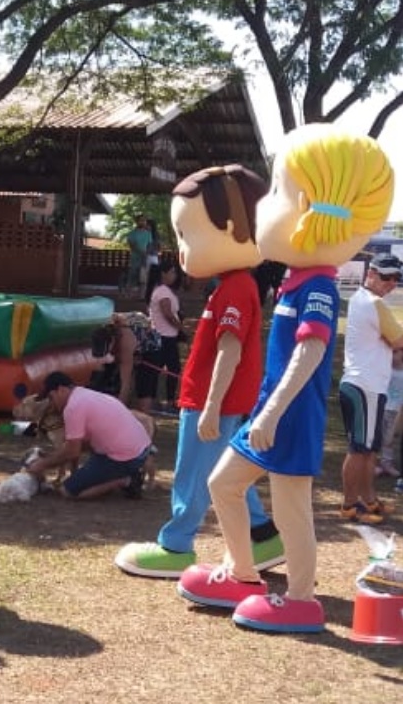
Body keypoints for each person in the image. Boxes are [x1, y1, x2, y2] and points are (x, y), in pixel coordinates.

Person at [179, 124, 394, 635]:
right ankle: (245, 575)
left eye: (278, 192)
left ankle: (300, 599)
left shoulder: (317, 284)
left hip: (290, 417)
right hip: (269, 412)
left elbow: (312, 350)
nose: (263, 205)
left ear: (315, 213)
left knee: (292, 507)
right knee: (223, 484)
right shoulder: (297, 278)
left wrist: (272, 412)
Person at [116, 163, 284, 581]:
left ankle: (176, 545)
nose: (184, 250)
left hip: (215, 402)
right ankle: (263, 537)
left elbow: (229, 351)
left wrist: (210, 407)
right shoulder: (232, 286)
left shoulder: (235, 288)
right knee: (226, 474)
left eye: (189, 236)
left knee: (193, 475)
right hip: (215, 399)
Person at [338, 253, 403, 519]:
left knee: (368, 449)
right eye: (386, 277)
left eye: (396, 278)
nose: (391, 283)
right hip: (364, 385)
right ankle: (350, 505)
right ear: (372, 274)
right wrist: (393, 343)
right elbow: (400, 341)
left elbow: (395, 343)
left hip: (367, 386)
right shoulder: (373, 303)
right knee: (360, 449)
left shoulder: (362, 300)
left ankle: (368, 500)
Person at [25, 371, 153, 499]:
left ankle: (126, 480)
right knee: (85, 472)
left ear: (61, 390)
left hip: (125, 457)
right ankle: (120, 476)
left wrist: (42, 464)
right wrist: (51, 457)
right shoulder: (84, 394)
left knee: (68, 491)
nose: (51, 404)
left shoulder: (73, 407)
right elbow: (80, 444)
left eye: (51, 397)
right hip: (142, 450)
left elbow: (72, 452)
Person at [146, 260, 183, 412]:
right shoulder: (162, 292)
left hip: (166, 335)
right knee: (171, 369)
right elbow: (167, 312)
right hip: (164, 336)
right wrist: (179, 327)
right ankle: (167, 401)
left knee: (162, 369)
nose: (174, 276)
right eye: (172, 272)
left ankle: (160, 400)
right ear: (164, 274)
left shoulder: (164, 290)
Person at [378, 347, 403, 478]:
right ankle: (382, 463)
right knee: (382, 437)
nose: (392, 356)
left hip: (397, 411)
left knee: (391, 438)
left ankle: (388, 463)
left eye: (395, 352)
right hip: (384, 408)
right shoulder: (386, 370)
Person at [124, 215, 153, 291]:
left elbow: (150, 245)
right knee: (132, 276)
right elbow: (132, 246)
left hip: (145, 258)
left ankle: (142, 295)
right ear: (137, 222)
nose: (143, 222)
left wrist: (147, 254)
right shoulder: (132, 233)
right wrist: (142, 253)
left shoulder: (148, 234)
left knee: (143, 277)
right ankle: (128, 293)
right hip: (135, 258)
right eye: (141, 220)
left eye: (144, 221)